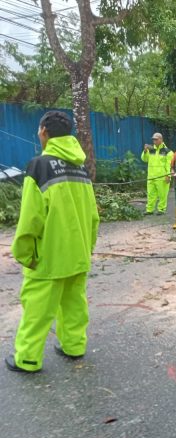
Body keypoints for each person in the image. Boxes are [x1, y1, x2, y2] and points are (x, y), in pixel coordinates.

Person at [6, 111, 100, 373]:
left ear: (44, 132)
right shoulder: (80, 168)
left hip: (48, 256)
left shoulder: (39, 165)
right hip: (78, 254)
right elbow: (93, 216)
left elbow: (30, 217)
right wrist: (87, 248)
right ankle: (74, 346)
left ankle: (26, 359)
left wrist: (24, 252)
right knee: (74, 304)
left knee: (37, 308)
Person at [141, 132, 173, 215]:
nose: (154, 141)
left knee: (162, 195)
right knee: (150, 194)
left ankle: (161, 209)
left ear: (161, 140)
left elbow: (169, 165)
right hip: (151, 176)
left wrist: (168, 175)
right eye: (153, 139)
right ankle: (149, 210)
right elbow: (144, 159)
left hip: (162, 177)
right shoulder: (151, 149)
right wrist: (145, 151)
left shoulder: (168, 151)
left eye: (156, 139)